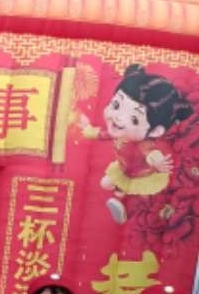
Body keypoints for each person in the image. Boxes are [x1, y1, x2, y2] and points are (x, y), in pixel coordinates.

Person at [78, 64, 192, 224]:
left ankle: (126, 212)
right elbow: (103, 134)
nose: (117, 118)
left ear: (156, 131)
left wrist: (157, 162)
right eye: (116, 105)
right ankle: (120, 190)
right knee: (105, 184)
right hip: (123, 169)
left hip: (142, 176)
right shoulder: (120, 133)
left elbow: (152, 153)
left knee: (145, 202)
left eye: (134, 119)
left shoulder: (145, 145)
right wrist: (88, 128)